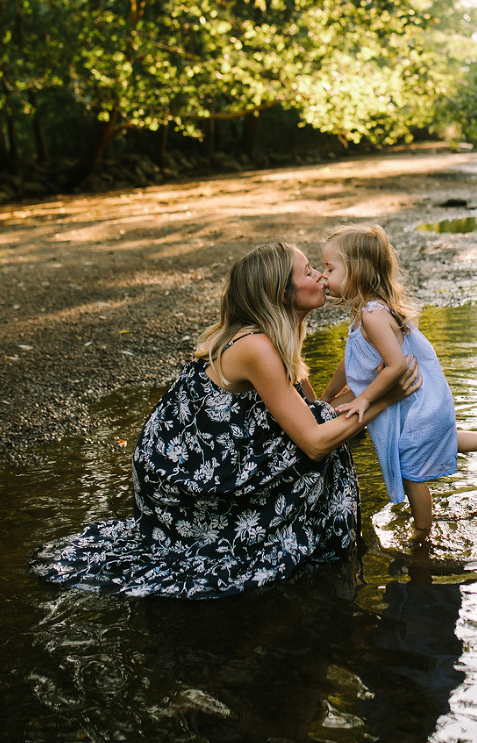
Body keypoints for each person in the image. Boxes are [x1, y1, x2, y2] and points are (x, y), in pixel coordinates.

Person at [31, 241, 420, 599]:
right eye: (307, 272)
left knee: (328, 438)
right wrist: (387, 397)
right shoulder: (257, 346)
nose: (320, 276)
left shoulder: (280, 338)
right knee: (322, 453)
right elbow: (315, 441)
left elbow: (319, 411)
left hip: (220, 451)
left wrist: (380, 374)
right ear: (280, 293)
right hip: (179, 474)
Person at [320, 225, 477, 536]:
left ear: (356, 271)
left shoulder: (373, 316)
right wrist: (327, 395)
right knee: (441, 439)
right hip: (423, 403)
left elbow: (397, 366)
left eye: (330, 268)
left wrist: (364, 399)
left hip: (419, 403)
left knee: (411, 473)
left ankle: (423, 536)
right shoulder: (365, 312)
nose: (323, 276)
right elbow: (348, 362)